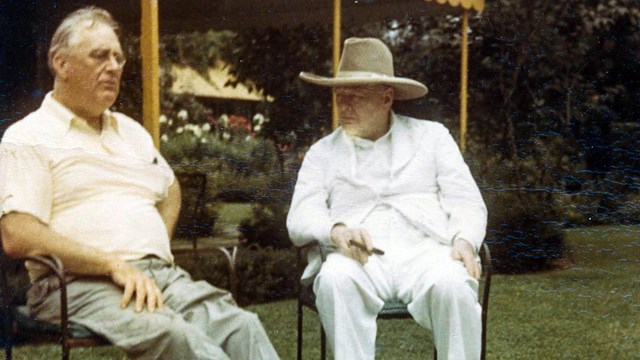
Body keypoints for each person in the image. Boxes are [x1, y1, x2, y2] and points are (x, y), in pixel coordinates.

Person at [0, 7, 279, 360]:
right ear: (61, 63)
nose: (114, 66)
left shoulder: (130, 133)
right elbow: (18, 233)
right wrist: (113, 264)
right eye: (100, 56)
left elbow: (170, 189)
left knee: (242, 327)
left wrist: (154, 246)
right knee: (176, 337)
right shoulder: (29, 136)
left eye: (118, 57)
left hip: (155, 276)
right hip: (76, 285)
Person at [287, 37, 487, 360]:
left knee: (454, 284)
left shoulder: (432, 137)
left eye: (355, 97)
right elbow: (300, 214)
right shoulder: (322, 153)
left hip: (426, 252)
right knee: (335, 280)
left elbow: (466, 199)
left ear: (386, 98)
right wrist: (336, 231)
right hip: (360, 257)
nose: (344, 106)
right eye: (340, 97)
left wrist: (465, 239)